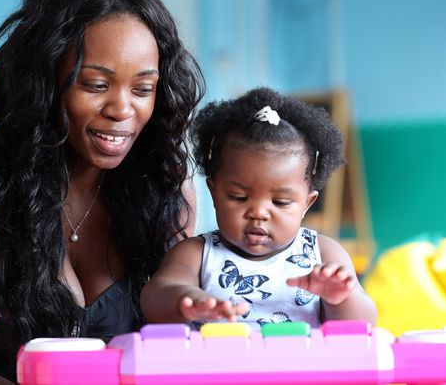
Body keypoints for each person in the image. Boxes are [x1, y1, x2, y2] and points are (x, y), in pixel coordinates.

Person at [0, 0, 205, 383]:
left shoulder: (167, 188)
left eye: (143, 89)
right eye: (96, 85)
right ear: (45, 80)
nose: (122, 110)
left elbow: (170, 354)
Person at [141, 87, 377, 328]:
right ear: (214, 193)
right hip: (219, 365)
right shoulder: (196, 254)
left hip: (302, 365)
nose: (259, 213)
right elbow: (154, 298)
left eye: (280, 202)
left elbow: (364, 322)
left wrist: (339, 298)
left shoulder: (324, 254)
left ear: (307, 204)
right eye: (239, 197)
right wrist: (186, 298)